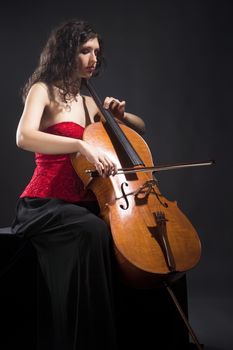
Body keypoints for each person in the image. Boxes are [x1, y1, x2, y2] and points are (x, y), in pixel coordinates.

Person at [10, 18, 145, 350]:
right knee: (94, 232)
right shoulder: (43, 90)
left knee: (121, 237)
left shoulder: (90, 103)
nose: (93, 58)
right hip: (45, 204)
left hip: (84, 204)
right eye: (85, 50)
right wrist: (80, 144)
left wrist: (121, 115)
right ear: (67, 51)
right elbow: (23, 137)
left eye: (96, 52)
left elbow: (140, 129)